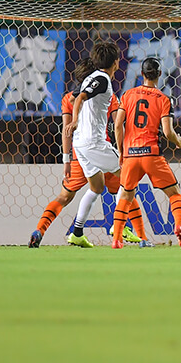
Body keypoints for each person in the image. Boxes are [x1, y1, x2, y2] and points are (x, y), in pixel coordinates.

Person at [29, 58, 142, 248]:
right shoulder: (108, 94)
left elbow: (66, 130)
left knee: (65, 196)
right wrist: (124, 150)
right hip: (100, 150)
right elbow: (119, 124)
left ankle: (42, 230)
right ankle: (126, 229)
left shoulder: (68, 99)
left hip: (78, 154)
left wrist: (66, 160)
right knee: (126, 186)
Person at [111, 57, 181, 249]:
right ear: (159, 74)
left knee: (126, 196)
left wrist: (121, 151)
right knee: (174, 193)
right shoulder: (164, 99)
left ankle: (117, 240)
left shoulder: (128, 95)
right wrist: (178, 141)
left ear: (142, 74)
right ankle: (179, 226)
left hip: (131, 155)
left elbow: (118, 125)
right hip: (152, 154)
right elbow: (168, 132)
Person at [62, 41, 123, 248]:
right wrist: (75, 120)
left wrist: (80, 118)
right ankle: (118, 226)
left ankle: (77, 233)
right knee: (128, 178)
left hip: (80, 143)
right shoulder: (102, 79)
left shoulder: (91, 78)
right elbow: (79, 98)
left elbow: (75, 98)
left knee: (97, 187)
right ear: (116, 63)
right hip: (93, 142)